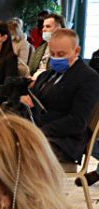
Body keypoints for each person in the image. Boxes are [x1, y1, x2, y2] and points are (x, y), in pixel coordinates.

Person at [21, 30, 99, 176]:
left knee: (16, 152)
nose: (56, 58)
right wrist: (25, 102)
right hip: (39, 131)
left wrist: (39, 132)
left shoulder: (88, 78)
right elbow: (34, 101)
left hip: (65, 142)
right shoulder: (46, 75)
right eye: (53, 54)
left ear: (77, 51)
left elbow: (77, 122)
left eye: (61, 54)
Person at [29, 14, 65, 79]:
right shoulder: (40, 49)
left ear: (59, 29)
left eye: (48, 26)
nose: (43, 29)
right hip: (35, 81)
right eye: (43, 26)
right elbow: (31, 70)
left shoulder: (66, 50)